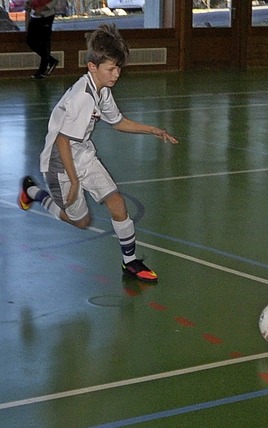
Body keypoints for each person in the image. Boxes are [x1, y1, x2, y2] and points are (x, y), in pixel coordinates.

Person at [18, 24, 179, 282]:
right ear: (92, 67)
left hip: (82, 153)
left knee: (117, 203)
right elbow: (61, 141)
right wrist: (74, 181)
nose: (116, 74)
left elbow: (117, 122)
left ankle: (130, 263)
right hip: (59, 162)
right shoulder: (83, 97)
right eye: (111, 69)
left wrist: (153, 130)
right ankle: (34, 193)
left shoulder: (102, 89)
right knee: (79, 221)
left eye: (118, 68)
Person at [25, 0, 58, 79]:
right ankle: (51, 60)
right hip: (34, 15)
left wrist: (42, 9)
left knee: (45, 42)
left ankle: (42, 71)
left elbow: (54, 2)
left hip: (46, 16)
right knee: (30, 41)